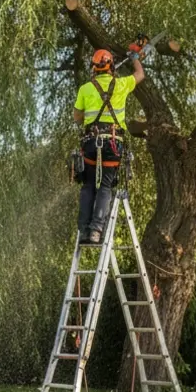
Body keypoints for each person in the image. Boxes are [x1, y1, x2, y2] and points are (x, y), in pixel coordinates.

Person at [73, 47, 145, 244]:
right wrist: (135, 58)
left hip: (90, 143)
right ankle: (96, 230)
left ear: (94, 68)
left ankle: (83, 230)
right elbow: (140, 75)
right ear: (112, 66)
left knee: (88, 184)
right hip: (113, 143)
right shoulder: (121, 84)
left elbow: (77, 118)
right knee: (105, 185)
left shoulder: (85, 88)